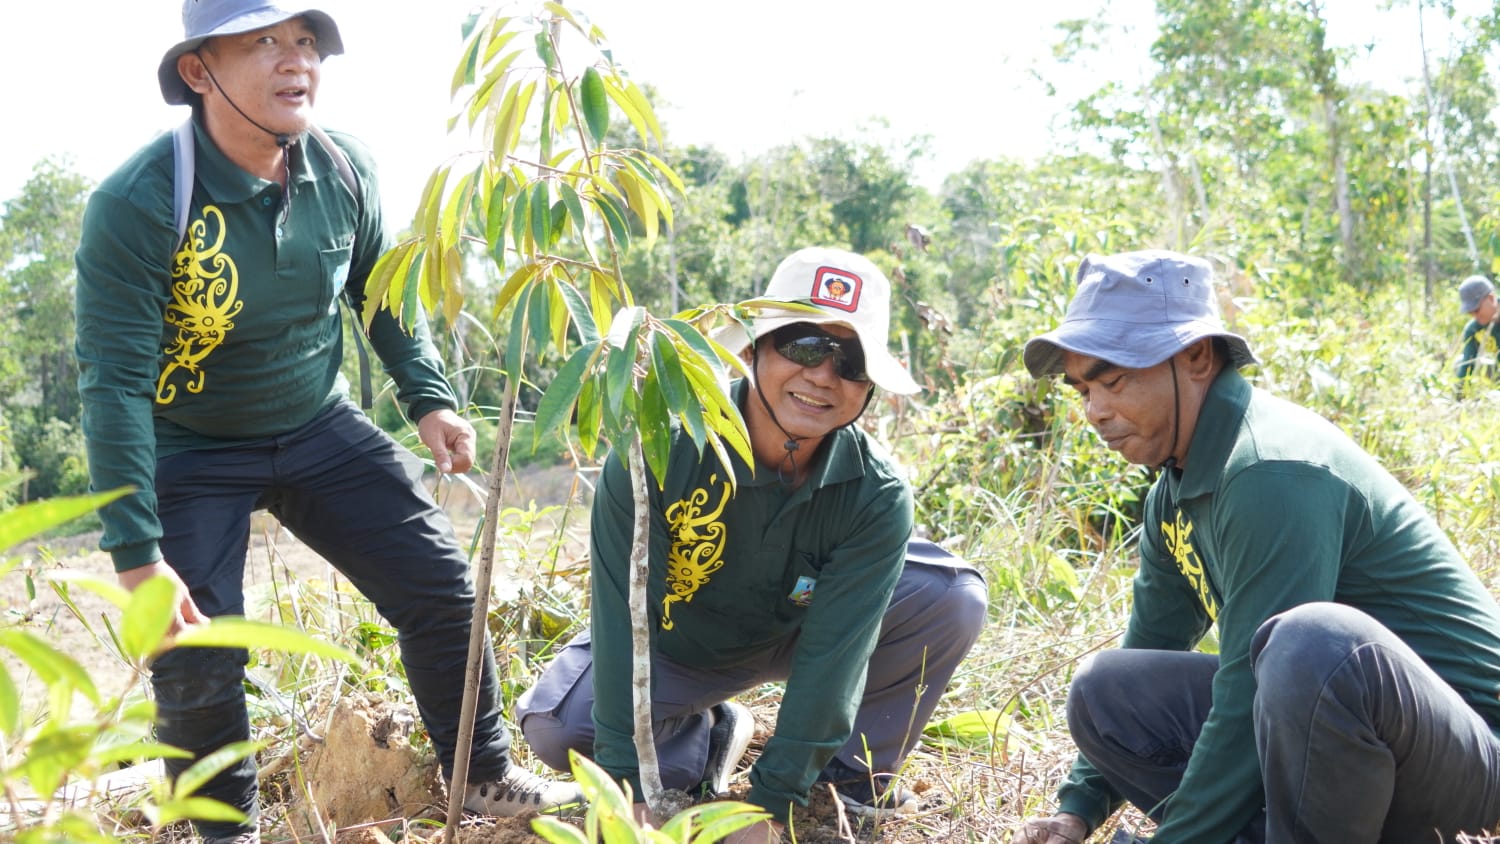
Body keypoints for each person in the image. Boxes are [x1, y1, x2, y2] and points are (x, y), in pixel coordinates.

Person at [73, 2, 580, 841]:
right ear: (197, 72)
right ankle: (223, 832)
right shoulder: (139, 202)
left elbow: (382, 296)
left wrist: (429, 398)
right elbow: (113, 384)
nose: (294, 61)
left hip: (314, 424)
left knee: (443, 589)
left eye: (305, 42)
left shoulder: (343, 168)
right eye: (264, 42)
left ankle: (482, 775)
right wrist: (136, 553)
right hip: (188, 445)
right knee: (195, 643)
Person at [1011, 250, 1500, 844]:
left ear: (1195, 356)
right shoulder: (1177, 486)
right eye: (1082, 388)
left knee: (1313, 643)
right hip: (1353, 755)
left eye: (1112, 380)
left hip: (1469, 765)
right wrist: (1078, 808)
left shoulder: (1272, 468)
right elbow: (1155, 640)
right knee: (1105, 692)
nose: (1095, 410)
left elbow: (1248, 693)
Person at [514, 247, 988, 842]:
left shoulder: (877, 493)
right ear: (749, 350)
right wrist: (623, 787)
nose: (822, 376)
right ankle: (707, 734)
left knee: (951, 598)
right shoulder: (658, 451)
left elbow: (835, 658)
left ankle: (845, 781)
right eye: (804, 347)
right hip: (678, 644)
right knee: (561, 732)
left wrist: (771, 806)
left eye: (851, 361)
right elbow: (618, 616)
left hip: (801, 629)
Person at [1455, 274, 1500, 388]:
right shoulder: (1474, 329)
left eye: (1476, 310)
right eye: (1470, 312)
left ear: (1491, 298)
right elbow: (1468, 363)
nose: (1474, 316)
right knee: (1459, 362)